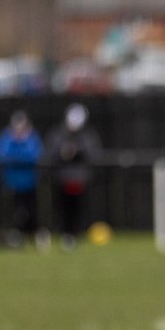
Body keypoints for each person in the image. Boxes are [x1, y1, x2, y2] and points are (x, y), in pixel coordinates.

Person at [46, 102, 102, 250]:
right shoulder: (58, 134)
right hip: (62, 179)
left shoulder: (87, 136)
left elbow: (94, 154)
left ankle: (76, 234)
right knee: (63, 209)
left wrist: (77, 152)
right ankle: (66, 235)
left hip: (79, 180)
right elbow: (51, 152)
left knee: (78, 210)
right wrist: (63, 153)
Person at [0, 109, 45, 249]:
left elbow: (34, 156)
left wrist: (18, 153)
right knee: (12, 214)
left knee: (31, 212)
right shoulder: (6, 137)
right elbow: (2, 155)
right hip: (11, 183)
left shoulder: (32, 138)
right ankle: (13, 237)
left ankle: (33, 236)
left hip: (29, 183)